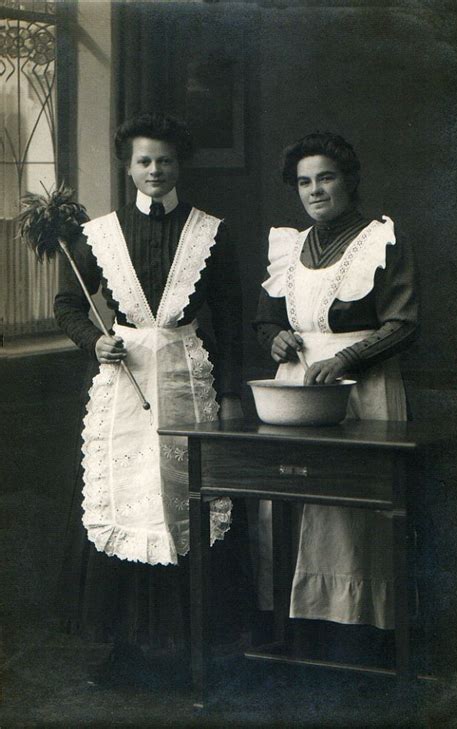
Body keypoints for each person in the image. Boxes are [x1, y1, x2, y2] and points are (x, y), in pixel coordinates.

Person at [54, 112, 246, 686]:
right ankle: (126, 645)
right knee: (126, 498)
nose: (155, 170)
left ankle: (194, 643)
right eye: (144, 161)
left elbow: (232, 318)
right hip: (124, 384)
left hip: (188, 379)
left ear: (178, 164)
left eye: (164, 160)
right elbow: (68, 304)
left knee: (187, 503)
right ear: (128, 166)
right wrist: (96, 341)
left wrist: (232, 394)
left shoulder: (211, 230)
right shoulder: (101, 234)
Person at [254, 132, 418, 649]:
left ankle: (358, 638)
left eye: (325, 177)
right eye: (304, 182)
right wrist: (275, 338)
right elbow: (265, 319)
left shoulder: (381, 240)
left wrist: (347, 358)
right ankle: (293, 631)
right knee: (285, 506)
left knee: (350, 517)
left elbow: (404, 322)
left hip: (360, 391)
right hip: (295, 392)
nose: (315, 190)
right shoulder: (291, 246)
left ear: (349, 179)